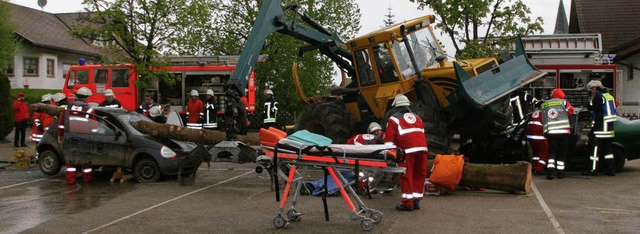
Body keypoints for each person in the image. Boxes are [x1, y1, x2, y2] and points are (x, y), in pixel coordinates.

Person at [383, 94, 428, 211]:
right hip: (422, 149)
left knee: (406, 176)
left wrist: (390, 155)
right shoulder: (418, 118)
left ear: (396, 106)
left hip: (406, 151)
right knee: (419, 175)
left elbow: (388, 141)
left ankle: (408, 203)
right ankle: (416, 201)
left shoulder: (394, 119)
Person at [58, 87, 95, 184]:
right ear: (86, 98)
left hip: (69, 137)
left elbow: (61, 124)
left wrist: (60, 136)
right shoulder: (89, 110)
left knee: (71, 160)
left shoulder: (67, 108)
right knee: (85, 160)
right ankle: (87, 179)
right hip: (84, 138)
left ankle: (71, 180)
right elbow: (94, 126)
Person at [541, 88, 574, 180]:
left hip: (551, 132)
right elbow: (571, 111)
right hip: (563, 133)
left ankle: (550, 173)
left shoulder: (545, 104)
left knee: (551, 152)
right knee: (561, 153)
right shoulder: (564, 103)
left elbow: (542, 117)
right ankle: (560, 173)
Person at [586, 80, 617, 176]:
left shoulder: (598, 97)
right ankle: (611, 170)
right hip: (609, 128)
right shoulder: (609, 96)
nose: (592, 91)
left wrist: (593, 130)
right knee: (608, 151)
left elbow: (594, 109)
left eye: (592, 89)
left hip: (601, 128)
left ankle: (593, 170)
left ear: (595, 88)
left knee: (595, 150)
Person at [525, 100, 548, 175]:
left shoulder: (535, 113)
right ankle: (539, 169)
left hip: (530, 137)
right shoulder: (545, 113)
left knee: (536, 152)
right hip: (539, 136)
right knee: (545, 151)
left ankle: (534, 167)